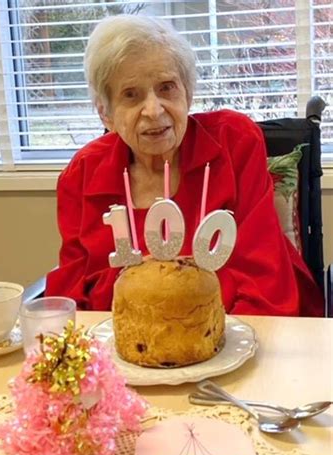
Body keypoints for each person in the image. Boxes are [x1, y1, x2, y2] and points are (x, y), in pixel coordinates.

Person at [45, 15, 324, 317]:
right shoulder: (82, 173)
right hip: (121, 348)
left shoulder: (235, 144)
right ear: (106, 113)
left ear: (188, 93)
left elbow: (264, 278)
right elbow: (70, 302)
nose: (153, 110)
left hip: (237, 335)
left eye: (166, 88)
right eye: (130, 94)